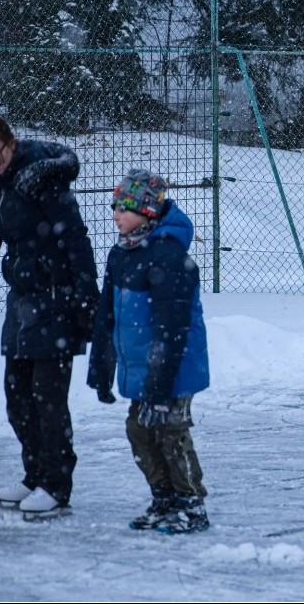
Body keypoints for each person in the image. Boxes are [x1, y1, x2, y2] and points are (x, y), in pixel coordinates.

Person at [0, 113, 99, 519]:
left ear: (11, 141)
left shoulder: (40, 177)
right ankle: (36, 474)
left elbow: (75, 237)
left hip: (58, 299)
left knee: (48, 399)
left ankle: (57, 486)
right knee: (18, 398)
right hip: (24, 304)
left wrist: (86, 298)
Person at [86, 168, 211, 534]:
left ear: (148, 211)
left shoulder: (168, 256)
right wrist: (100, 368)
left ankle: (191, 504)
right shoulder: (121, 253)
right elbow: (105, 315)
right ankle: (163, 499)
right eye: (114, 207)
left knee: (170, 429)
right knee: (139, 430)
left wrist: (160, 390)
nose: (115, 215)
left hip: (174, 366)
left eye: (124, 207)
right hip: (142, 365)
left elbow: (171, 330)